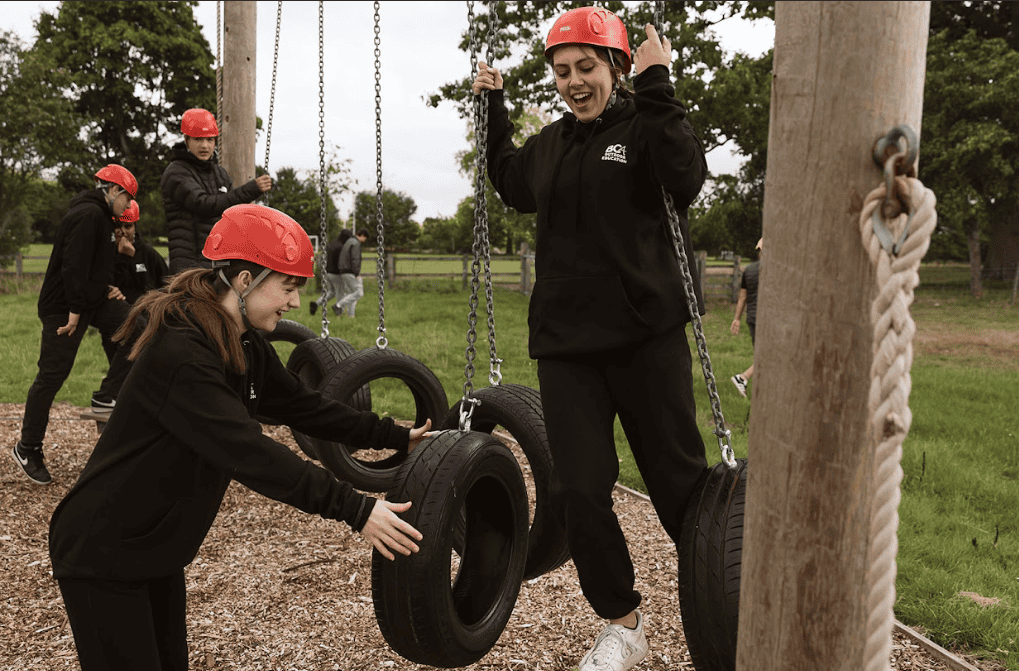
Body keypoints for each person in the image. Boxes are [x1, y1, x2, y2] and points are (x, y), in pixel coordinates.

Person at [48, 203, 432, 671]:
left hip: (152, 549)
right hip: (103, 551)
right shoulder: (183, 353)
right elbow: (249, 452)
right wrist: (356, 508)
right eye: (288, 287)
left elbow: (302, 406)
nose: (294, 303)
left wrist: (395, 436)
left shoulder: (243, 341)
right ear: (246, 280)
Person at [473, 8, 709, 671]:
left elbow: (685, 176)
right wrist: (493, 108)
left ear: (616, 67)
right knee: (578, 489)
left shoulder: (643, 127)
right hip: (566, 343)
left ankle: (722, 601)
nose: (573, 82)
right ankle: (623, 622)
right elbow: (511, 181)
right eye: (561, 71)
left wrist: (659, 83)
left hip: (644, 338)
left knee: (677, 488)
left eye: (585, 68)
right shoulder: (550, 143)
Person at [12, 164, 139, 486]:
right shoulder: (88, 216)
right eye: (128, 199)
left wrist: (107, 286)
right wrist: (74, 311)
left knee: (138, 326)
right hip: (64, 307)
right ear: (114, 191)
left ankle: (106, 396)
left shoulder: (101, 217)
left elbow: (94, 266)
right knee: (52, 375)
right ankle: (28, 448)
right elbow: (74, 266)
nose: (128, 207)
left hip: (88, 300)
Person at [161, 107, 272, 274]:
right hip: (188, 267)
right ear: (186, 139)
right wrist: (251, 190)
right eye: (198, 139)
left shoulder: (220, 174)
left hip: (217, 263)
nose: (205, 145)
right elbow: (204, 205)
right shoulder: (175, 172)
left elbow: (232, 215)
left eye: (210, 139)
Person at [101, 200, 170, 361]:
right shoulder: (105, 254)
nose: (123, 232)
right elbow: (106, 285)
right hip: (116, 325)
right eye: (118, 226)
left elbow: (167, 285)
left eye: (128, 226)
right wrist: (123, 259)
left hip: (146, 324)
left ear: (135, 226)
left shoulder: (148, 254)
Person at [730, 237, 762, 398]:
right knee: (768, 356)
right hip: (766, 319)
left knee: (762, 355)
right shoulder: (777, 269)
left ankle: (760, 389)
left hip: (752, 318)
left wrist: (737, 319)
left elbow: (742, 297)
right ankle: (742, 377)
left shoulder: (749, 270)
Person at [310, 228, 352, 316]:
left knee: (331, 292)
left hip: (327, 272)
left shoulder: (331, 244)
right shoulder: (341, 247)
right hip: (336, 273)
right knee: (340, 293)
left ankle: (316, 304)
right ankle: (339, 312)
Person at [334, 228, 369, 318]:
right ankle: (338, 305)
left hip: (343, 270)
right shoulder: (355, 243)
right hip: (349, 271)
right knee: (359, 292)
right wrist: (356, 273)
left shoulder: (348, 241)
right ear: (362, 235)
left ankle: (351, 316)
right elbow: (355, 258)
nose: (364, 241)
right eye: (365, 238)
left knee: (351, 294)